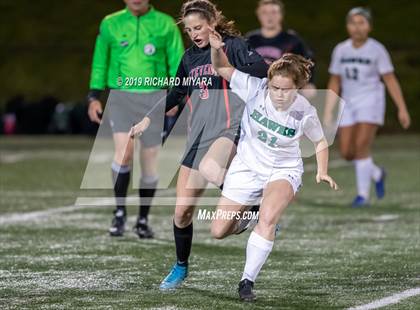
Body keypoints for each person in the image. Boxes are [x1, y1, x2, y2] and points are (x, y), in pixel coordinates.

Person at [129, 0, 268, 291]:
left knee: (212, 167)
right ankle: (181, 266)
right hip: (198, 135)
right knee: (181, 213)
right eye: (189, 29)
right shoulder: (190, 57)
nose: (193, 33)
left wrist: (225, 62)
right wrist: (147, 119)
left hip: (231, 129)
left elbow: (260, 69)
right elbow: (176, 93)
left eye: (199, 27)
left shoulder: (234, 45)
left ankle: (254, 207)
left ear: (212, 23)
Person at [206, 28, 338, 301]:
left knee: (269, 219)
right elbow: (221, 68)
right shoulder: (255, 88)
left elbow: (321, 141)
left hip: (283, 171)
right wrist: (217, 48)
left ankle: (246, 282)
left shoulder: (304, 111)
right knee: (218, 231)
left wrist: (322, 171)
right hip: (246, 167)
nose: (278, 94)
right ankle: (250, 216)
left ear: (298, 88)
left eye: (286, 90)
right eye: (275, 88)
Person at [87, 0, 184, 237]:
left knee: (149, 161)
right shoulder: (110, 23)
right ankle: (119, 212)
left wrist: (175, 97)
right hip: (121, 98)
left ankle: (142, 219)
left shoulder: (166, 23)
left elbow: (179, 62)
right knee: (124, 154)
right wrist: (93, 96)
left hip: (155, 99)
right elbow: (100, 61)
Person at [324, 7, 411, 207]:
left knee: (362, 146)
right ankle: (377, 173)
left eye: (361, 23)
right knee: (347, 153)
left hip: (371, 101)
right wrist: (329, 109)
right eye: (353, 23)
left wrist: (402, 108)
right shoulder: (341, 49)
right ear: (347, 26)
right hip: (349, 102)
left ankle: (362, 196)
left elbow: (389, 79)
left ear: (369, 26)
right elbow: (335, 81)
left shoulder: (376, 49)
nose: (357, 27)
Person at [246, 0, 316, 97]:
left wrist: (308, 83)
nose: (269, 16)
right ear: (258, 14)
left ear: (281, 15)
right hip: (257, 92)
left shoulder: (292, 40)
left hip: (284, 92)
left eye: (274, 12)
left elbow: (308, 61)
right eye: (264, 12)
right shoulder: (250, 39)